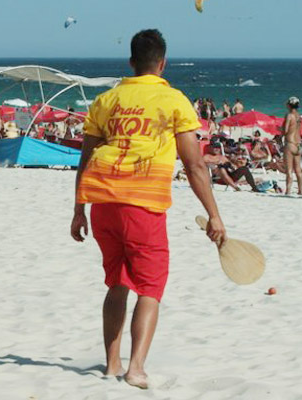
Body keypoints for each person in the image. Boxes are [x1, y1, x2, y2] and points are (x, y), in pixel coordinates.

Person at [70, 29, 226, 389]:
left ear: (130, 62)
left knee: (117, 282)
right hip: (143, 204)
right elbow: (194, 165)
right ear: (162, 63)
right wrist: (214, 214)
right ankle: (135, 368)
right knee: (150, 287)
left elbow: (86, 157)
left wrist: (79, 209)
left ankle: (112, 365)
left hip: (102, 203)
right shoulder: (174, 100)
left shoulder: (106, 100)